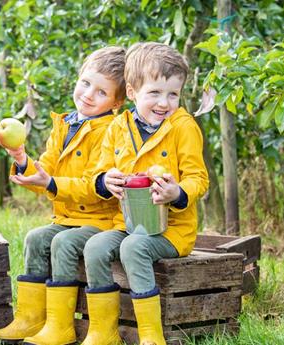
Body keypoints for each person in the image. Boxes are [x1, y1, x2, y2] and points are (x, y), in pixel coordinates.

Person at [0, 46, 126, 345]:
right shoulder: (65, 123)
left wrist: (50, 182)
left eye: (102, 92)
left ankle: (61, 326)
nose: (89, 94)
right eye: (86, 83)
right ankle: (31, 319)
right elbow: (47, 170)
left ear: (117, 101)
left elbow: (95, 187)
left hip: (101, 220)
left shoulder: (111, 131)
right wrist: (24, 161)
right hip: (68, 216)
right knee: (36, 238)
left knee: (64, 242)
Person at [82, 42, 209, 345]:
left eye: (173, 94)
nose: (164, 103)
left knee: (134, 247)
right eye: (155, 93)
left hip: (172, 231)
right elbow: (98, 171)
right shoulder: (118, 128)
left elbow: (198, 178)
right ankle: (103, 331)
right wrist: (105, 180)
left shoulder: (183, 127)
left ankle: (151, 336)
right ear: (132, 92)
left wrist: (176, 192)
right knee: (96, 246)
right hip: (126, 223)